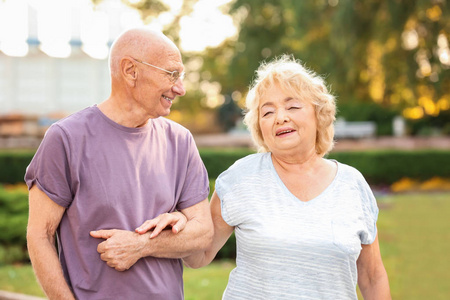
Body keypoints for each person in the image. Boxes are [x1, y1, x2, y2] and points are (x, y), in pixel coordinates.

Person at [164, 55, 391, 299]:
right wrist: (181, 224)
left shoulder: (352, 184)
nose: (280, 117)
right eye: (268, 111)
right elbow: (199, 256)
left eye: (292, 106)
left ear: (319, 115)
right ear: (260, 126)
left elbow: (372, 276)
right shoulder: (240, 178)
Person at [25, 28, 213, 300]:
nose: (180, 88)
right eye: (171, 74)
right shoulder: (66, 138)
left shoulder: (181, 141)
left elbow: (202, 234)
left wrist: (140, 245)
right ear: (131, 71)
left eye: (180, 76)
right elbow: (40, 235)